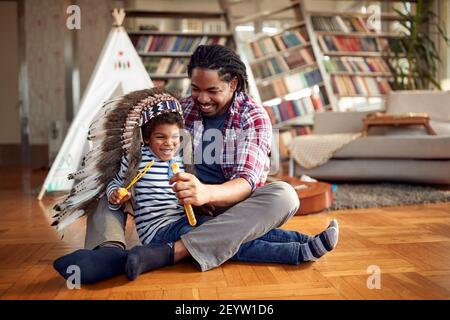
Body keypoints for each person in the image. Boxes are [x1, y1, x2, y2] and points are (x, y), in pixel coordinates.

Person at [53, 45, 339, 284]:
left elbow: (248, 182)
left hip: (231, 208)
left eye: (212, 90)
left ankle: (172, 252)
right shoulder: (182, 109)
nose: (202, 98)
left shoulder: (253, 116)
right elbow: (151, 143)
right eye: (195, 89)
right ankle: (109, 251)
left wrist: (206, 193)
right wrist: (130, 183)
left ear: (233, 84)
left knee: (284, 196)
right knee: (108, 189)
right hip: (180, 207)